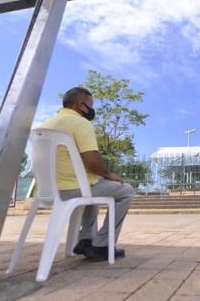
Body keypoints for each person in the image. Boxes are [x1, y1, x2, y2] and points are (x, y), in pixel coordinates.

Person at [41, 87, 135, 261]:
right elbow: (92, 162)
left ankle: (86, 240)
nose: (92, 110)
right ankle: (102, 245)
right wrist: (109, 174)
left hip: (49, 191)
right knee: (126, 191)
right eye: (91, 105)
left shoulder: (47, 124)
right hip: (73, 190)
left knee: (93, 183)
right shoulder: (80, 123)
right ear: (81, 105)